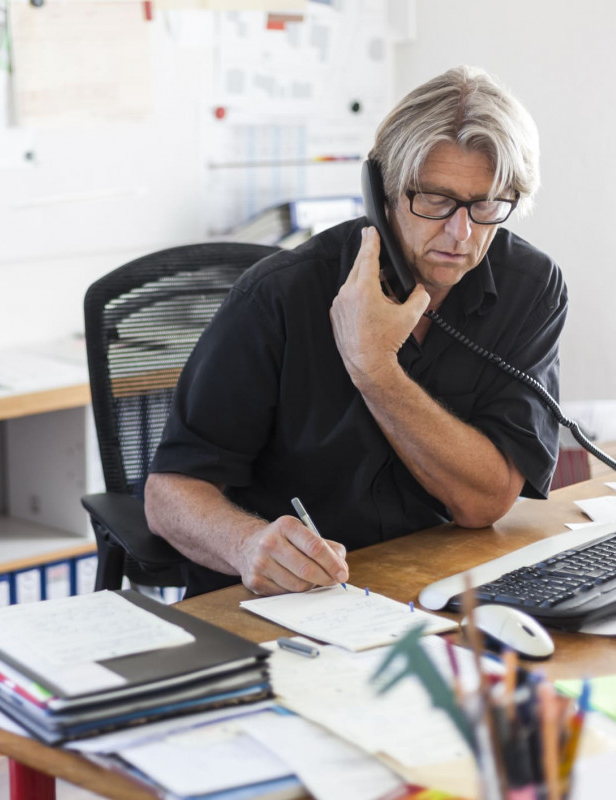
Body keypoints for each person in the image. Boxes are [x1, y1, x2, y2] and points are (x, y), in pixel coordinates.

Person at [144, 65, 564, 597]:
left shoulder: (531, 288)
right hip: (289, 600)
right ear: (380, 191)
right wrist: (246, 543)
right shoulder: (280, 293)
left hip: (435, 583)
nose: (461, 234)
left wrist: (376, 370)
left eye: (485, 206)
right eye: (434, 200)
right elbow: (169, 493)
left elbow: (483, 505)